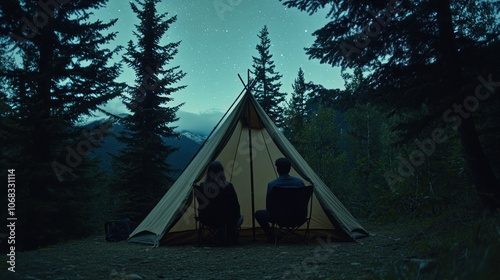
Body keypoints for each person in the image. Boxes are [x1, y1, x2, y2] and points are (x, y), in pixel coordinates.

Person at [255, 157, 305, 242]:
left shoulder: (272, 185)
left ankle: (271, 236)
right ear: (289, 169)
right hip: (299, 217)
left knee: (258, 214)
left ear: (277, 169)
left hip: (279, 218)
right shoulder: (300, 183)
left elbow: (268, 207)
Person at [197, 161, 243, 243]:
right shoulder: (228, 187)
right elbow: (235, 205)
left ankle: (219, 236)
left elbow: (201, 205)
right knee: (240, 218)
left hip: (206, 219)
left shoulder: (202, 187)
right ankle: (227, 235)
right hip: (224, 219)